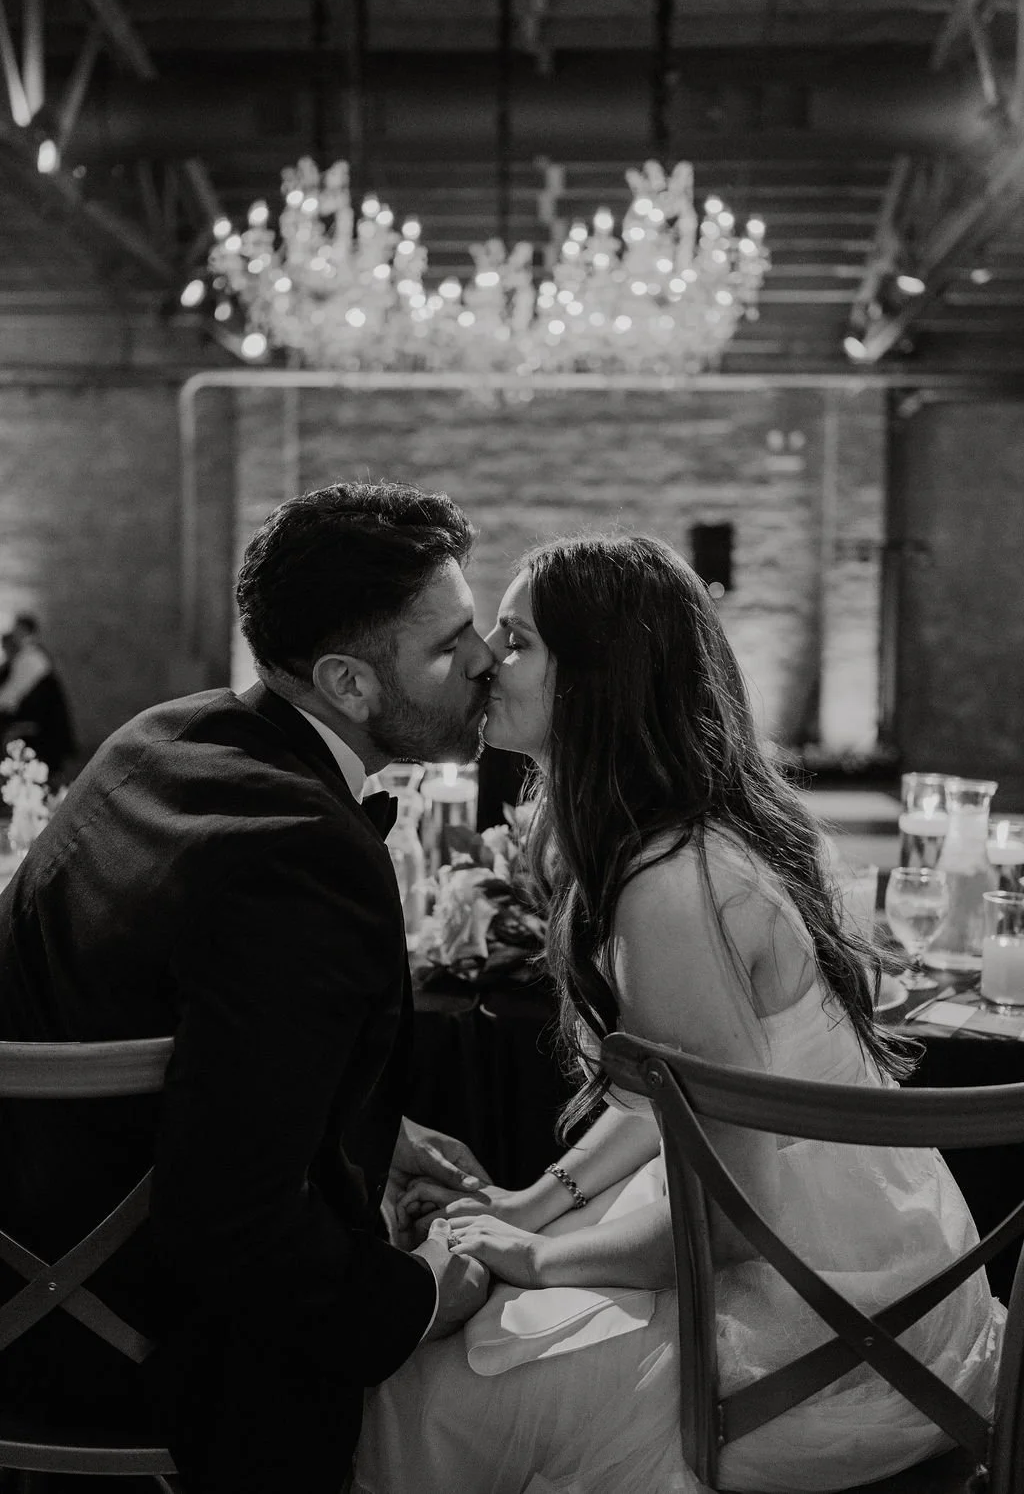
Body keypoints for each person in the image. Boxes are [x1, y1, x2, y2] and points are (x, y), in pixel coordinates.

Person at [353, 533, 1004, 1494]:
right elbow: (673, 1090)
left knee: (412, 1396)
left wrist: (541, 1256)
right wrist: (540, 1200)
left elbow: (735, 1219)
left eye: (517, 637)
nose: (489, 657)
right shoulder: (669, 840)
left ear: (597, 680)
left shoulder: (672, 888)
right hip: (847, 1258)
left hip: (825, 1327)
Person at [0, 482, 500, 1494]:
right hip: (134, 1342)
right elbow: (233, 1225)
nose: (484, 659)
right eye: (450, 646)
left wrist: (368, 1127)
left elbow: (170, 1031)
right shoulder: (305, 858)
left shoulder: (160, 737)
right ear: (348, 685)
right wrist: (416, 1300)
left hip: (28, 1247)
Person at [0, 610, 77, 781]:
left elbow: (12, 695)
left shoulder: (31, 658)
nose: (13, 634)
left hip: (41, 728)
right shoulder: (30, 656)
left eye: (16, 629)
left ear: (23, 630)